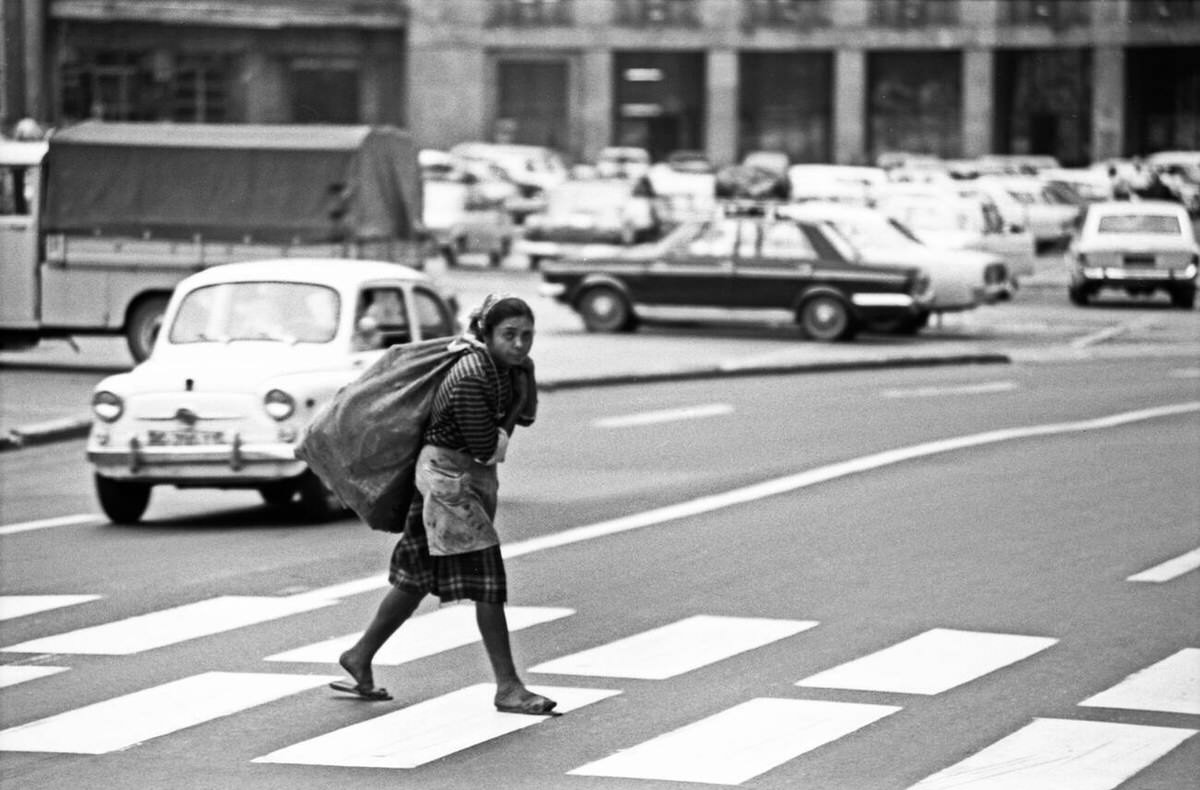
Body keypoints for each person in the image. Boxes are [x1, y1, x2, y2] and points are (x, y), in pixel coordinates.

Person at [330, 293, 556, 715]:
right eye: (509, 335)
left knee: (416, 577)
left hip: (456, 479)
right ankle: (508, 686)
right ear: (486, 335)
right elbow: (487, 446)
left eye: (527, 336)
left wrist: (525, 375)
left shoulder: (506, 370)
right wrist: (514, 394)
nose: (520, 345)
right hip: (449, 483)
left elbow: (526, 416)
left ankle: (359, 656)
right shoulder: (473, 374)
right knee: (488, 582)